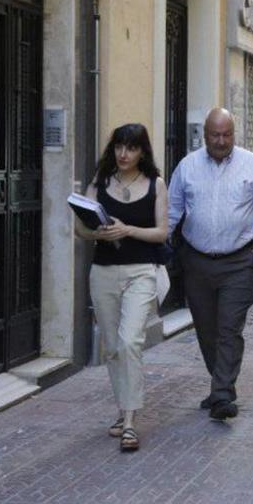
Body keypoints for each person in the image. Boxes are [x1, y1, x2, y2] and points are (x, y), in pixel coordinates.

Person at [168, 108, 253, 421]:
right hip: (197, 261)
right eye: (216, 135)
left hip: (239, 261)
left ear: (234, 134)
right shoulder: (187, 167)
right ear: (205, 134)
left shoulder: (251, 164)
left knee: (229, 328)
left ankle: (223, 393)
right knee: (206, 330)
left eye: (227, 134)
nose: (222, 141)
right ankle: (220, 384)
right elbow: (172, 212)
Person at [75, 124, 169, 452]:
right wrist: (99, 234)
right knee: (113, 347)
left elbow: (161, 233)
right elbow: (80, 230)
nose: (123, 154)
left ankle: (130, 421)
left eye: (130, 148)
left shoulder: (155, 184)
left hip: (141, 272)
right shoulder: (99, 183)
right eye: (118, 147)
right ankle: (122, 411)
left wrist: (127, 230)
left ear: (142, 151)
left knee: (130, 341)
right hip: (102, 273)